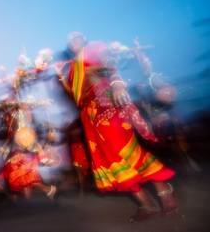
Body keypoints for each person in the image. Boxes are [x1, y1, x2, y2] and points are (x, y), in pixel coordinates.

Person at [55, 32, 178, 222]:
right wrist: (61, 79)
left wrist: (118, 84)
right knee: (108, 161)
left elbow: (108, 64)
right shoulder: (70, 67)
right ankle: (146, 204)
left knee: (128, 151)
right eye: (70, 39)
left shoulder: (94, 49)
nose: (74, 40)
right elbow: (75, 96)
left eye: (77, 36)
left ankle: (165, 191)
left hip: (108, 105)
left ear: (84, 39)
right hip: (89, 115)